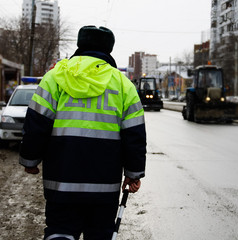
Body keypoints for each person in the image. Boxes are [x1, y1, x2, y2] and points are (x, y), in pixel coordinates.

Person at [19, 26, 146, 240]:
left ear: (80, 45)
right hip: (104, 189)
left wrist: (30, 160)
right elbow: (134, 134)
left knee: (59, 232)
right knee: (99, 234)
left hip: (61, 183)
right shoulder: (123, 85)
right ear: (109, 49)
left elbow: (36, 125)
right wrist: (133, 173)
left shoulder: (54, 78)